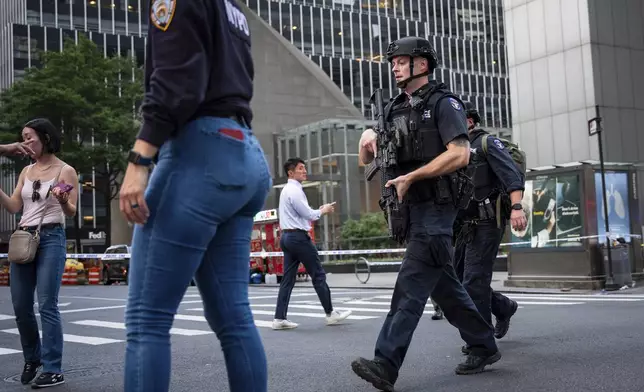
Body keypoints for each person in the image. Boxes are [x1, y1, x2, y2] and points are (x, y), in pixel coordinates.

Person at [118, 1, 270, 391]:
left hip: (198, 153)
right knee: (235, 319)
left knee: (146, 321)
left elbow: (177, 81)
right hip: (245, 152)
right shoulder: (232, 7)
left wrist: (139, 159)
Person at [351, 36, 500, 391]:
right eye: (393, 62)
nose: (395, 66)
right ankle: (483, 342)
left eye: (402, 60)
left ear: (422, 64)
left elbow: (460, 154)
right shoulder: (390, 108)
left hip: (438, 207)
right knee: (447, 290)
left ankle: (385, 363)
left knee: (411, 287)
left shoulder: (444, 103)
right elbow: (367, 163)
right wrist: (365, 141)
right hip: (409, 209)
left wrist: (414, 176)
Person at [0, 118, 78, 388]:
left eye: (30, 137)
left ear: (45, 138)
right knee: (21, 306)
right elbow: (12, 206)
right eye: (23, 137)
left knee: (47, 305)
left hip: (52, 238)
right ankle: (32, 358)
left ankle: (54, 368)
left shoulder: (66, 171)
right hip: (23, 237)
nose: (26, 142)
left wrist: (63, 200)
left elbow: (72, 211)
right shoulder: (26, 171)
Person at [453, 102, 526, 353]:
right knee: (458, 279)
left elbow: (510, 176)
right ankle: (504, 307)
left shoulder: (487, 144)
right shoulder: (455, 149)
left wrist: (516, 208)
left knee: (473, 282)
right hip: (464, 226)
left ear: (470, 121)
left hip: (487, 223)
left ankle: (481, 344)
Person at [272, 158, 352, 330]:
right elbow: (309, 215)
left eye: (304, 168)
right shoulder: (294, 190)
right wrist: (323, 210)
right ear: (290, 172)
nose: (304, 171)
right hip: (298, 238)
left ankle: (279, 318)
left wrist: (319, 210)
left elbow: (301, 214)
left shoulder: (286, 190)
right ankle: (331, 313)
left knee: (287, 279)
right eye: (300, 168)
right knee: (318, 274)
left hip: (287, 237)